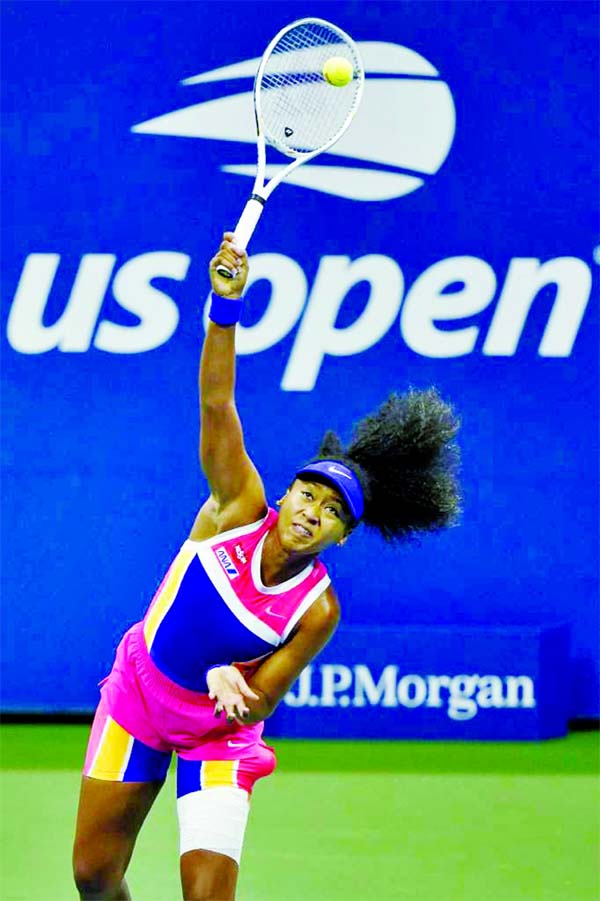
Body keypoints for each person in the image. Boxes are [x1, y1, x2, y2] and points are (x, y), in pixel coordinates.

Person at [72, 233, 461, 901]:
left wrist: (230, 683)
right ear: (286, 494)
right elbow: (217, 406)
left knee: (207, 895)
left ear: (340, 536)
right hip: (137, 695)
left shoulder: (317, 608)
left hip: (216, 736)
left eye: (334, 510)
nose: (314, 509)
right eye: (310, 492)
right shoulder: (235, 509)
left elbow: (263, 697)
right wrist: (225, 309)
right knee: (94, 875)